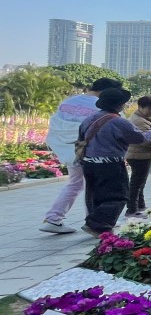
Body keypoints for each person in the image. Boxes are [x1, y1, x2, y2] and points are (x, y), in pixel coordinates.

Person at [39, 77, 123, 234]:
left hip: (69, 150)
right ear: (107, 92)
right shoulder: (102, 105)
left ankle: (53, 218)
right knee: (94, 186)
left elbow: (57, 126)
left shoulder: (68, 102)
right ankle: (95, 221)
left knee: (75, 183)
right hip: (92, 151)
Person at [78, 87, 151, 236]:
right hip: (110, 163)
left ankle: (99, 224)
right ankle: (97, 224)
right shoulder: (118, 122)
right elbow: (139, 138)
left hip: (89, 163)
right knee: (119, 195)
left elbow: (81, 137)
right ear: (119, 105)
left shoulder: (89, 119)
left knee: (95, 194)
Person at [125, 96, 151, 219]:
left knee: (140, 183)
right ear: (140, 107)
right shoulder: (140, 121)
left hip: (142, 154)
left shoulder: (144, 119)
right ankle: (132, 209)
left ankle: (140, 206)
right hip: (139, 155)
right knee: (137, 184)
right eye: (150, 108)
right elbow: (147, 141)